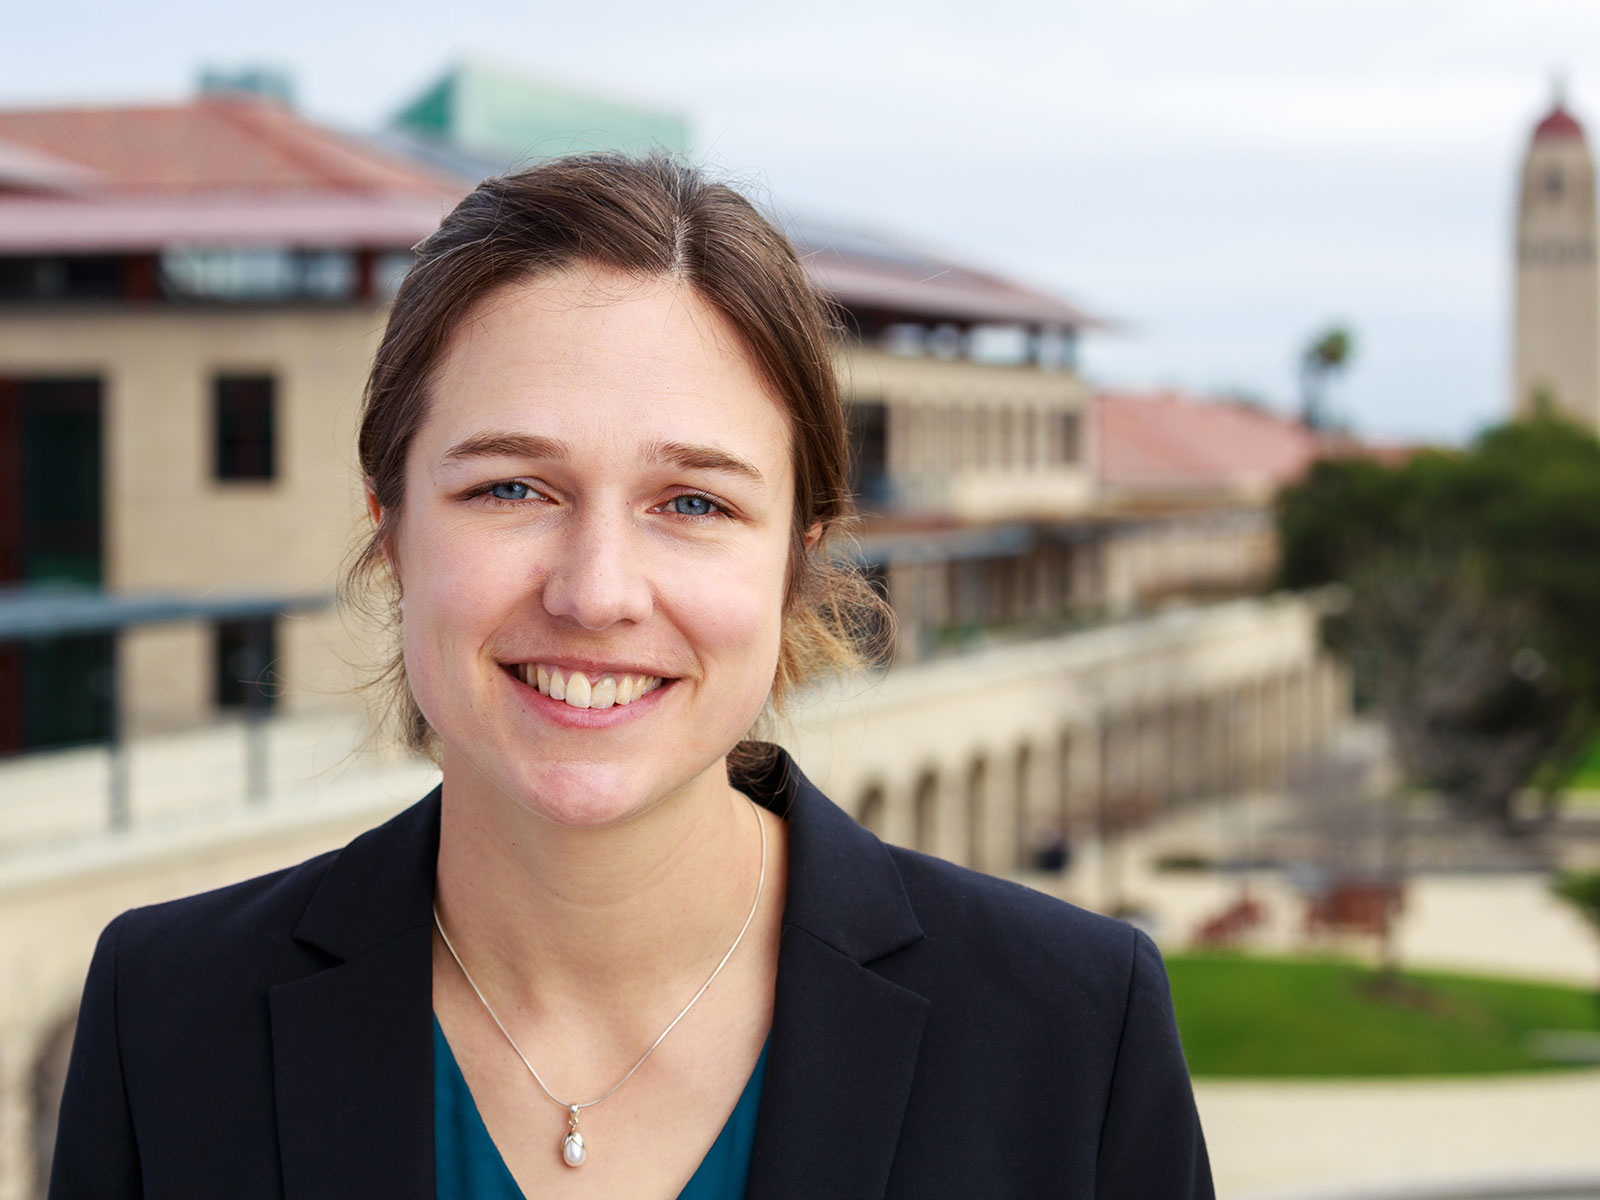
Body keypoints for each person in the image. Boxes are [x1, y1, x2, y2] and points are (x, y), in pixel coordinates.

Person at [49, 154, 1213, 1199]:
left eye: (692, 503)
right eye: (511, 487)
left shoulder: (1071, 1031)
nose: (595, 590)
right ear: (392, 528)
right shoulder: (168, 1016)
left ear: (794, 557)